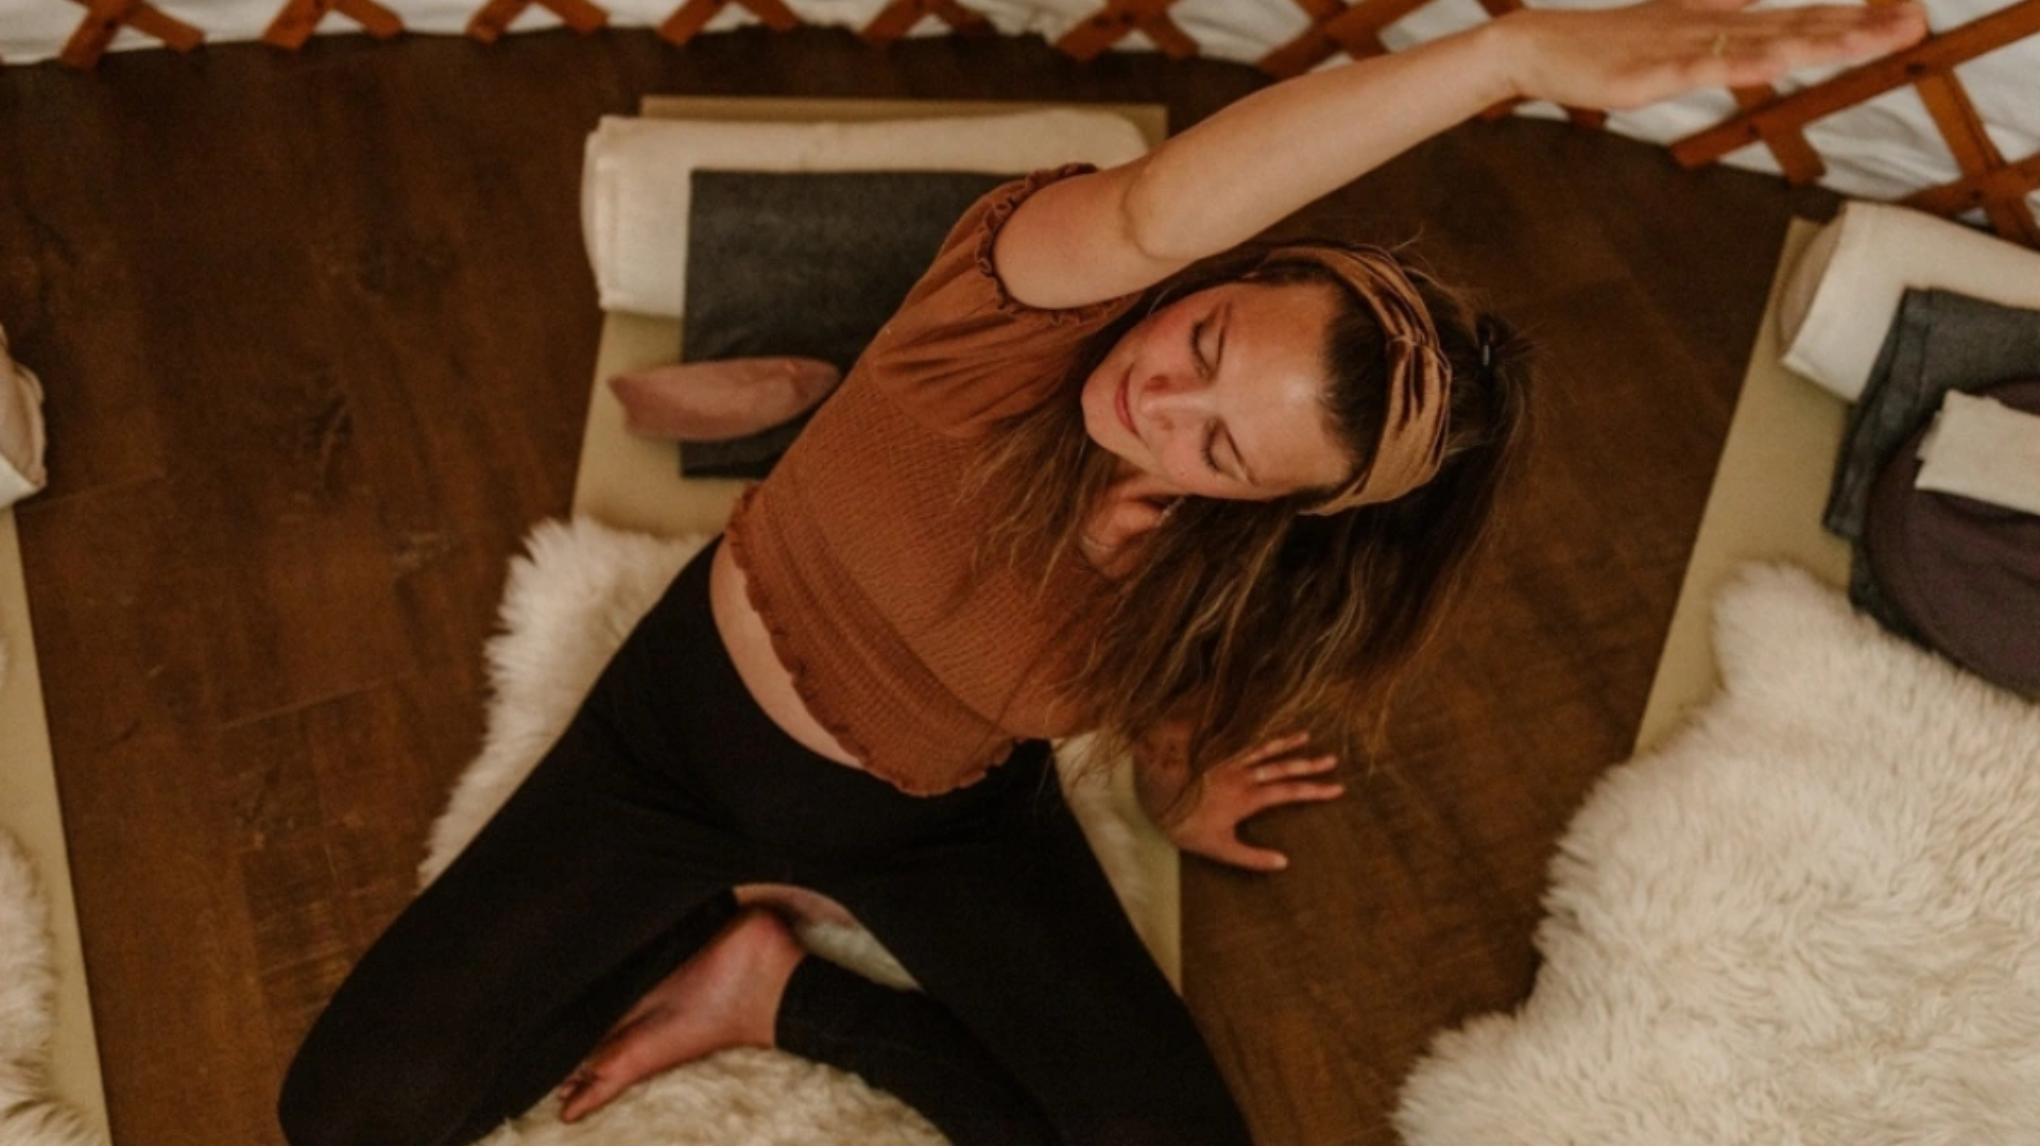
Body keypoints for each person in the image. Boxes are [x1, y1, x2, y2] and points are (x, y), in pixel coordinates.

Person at [276, 1, 1928, 1142]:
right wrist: (1505, 52)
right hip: (680, 742)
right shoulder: (1011, 309)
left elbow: (1159, 687)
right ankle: (714, 907)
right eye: (1205, 339)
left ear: (1275, 505)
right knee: (348, 1114)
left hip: (939, 817)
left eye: (1224, 446)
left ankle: (778, 992)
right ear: (1221, 273)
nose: (1162, 400)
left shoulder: (1224, 570)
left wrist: (1179, 784)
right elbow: (1148, 219)